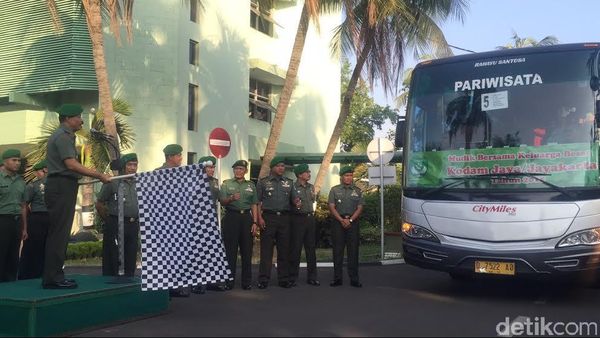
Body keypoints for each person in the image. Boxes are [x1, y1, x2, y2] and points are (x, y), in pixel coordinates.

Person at [43, 104, 111, 289]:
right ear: (67, 119)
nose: (81, 120)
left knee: (61, 233)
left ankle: (55, 275)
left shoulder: (66, 136)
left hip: (64, 184)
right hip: (61, 185)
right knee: (59, 233)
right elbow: (71, 165)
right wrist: (99, 175)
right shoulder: (63, 136)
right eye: (78, 117)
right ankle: (53, 278)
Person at [96, 153, 140, 277]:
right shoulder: (113, 182)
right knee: (114, 255)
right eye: (129, 165)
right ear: (123, 167)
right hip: (115, 224)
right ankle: (111, 284)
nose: (132, 168)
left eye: (135, 165)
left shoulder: (139, 182)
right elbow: (99, 204)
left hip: (132, 224)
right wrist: (110, 220)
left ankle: (129, 281)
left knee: (131, 255)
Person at [156, 144, 190, 297]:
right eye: (178, 155)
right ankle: (164, 289)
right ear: (170, 157)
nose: (181, 158)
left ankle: (176, 286)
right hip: (163, 222)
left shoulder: (182, 174)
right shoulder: (157, 174)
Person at [219, 159, 258, 290]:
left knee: (247, 251)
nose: (238, 171)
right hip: (231, 217)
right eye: (236, 169)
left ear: (245, 171)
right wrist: (231, 198)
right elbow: (222, 201)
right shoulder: (226, 184)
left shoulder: (251, 185)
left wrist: (255, 222)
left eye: (241, 169)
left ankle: (246, 282)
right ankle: (229, 282)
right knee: (230, 251)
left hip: (246, 218)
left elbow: (254, 204)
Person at [190, 155, 228, 294]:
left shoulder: (215, 182)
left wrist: (230, 198)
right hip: (197, 218)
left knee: (211, 251)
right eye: (209, 167)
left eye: (213, 167)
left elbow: (221, 200)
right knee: (197, 251)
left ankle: (210, 281)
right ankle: (197, 282)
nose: (212, 170)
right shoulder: (193, 181)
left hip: (211, 218)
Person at [256, 156, 293, 289]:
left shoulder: (289, 183)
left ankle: (284, 279)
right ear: (272, 167)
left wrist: (297, 202)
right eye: (278, 166)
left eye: (283, 166)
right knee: (266, 250)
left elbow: (294, 201)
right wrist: (259, 218)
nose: (281, 168)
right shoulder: (263, 182)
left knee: (284, 250)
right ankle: (263, 279)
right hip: (268, 218)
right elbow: (258, 202)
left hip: (284, 218)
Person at [328, 166, 364, 288]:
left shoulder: (358, 191)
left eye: (350, 175)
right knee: (337, 251)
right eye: (346, 175)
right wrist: (342, 220)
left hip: (353, 223)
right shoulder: (334, 190)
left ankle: (354, 279)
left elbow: (360, 207)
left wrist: (351, 220)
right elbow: (332, 207)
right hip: (338, 223)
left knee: (353, 251)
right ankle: (337, 278)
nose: (349, 178)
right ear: (341, 177)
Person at [289, 163, 319, 287]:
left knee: (311, 249)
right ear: (300, 175)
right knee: (296, 249)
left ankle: (312, 277)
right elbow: (289, 203)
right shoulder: (292, 187)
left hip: (310, 219)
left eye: (309, 172)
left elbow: (313, 201)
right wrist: (294, 204)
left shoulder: (311, 187)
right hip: (297, 219)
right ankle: (292, 277)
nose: (309, 174)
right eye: (307, 172)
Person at [18, 159, 49, 280]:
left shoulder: (35, 185)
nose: (36, 175)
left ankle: (36, 273)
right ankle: (32, 274)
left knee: (42, 248)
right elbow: (24, 205)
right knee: (35, 247)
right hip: (38, 218)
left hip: (44, 218)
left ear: (44, 170)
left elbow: (24, 205)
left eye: (37, 172)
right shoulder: (33, 186)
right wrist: (25, 227)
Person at [0, 149, 26, 282]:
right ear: (5, 162)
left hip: (16, 222)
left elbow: (23, 206)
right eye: (14, 160)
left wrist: (24, 228)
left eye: (19, 160)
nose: (17, 163)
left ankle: (11, 284)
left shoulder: (20, 181)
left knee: (14, 255)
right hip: (2, 220)